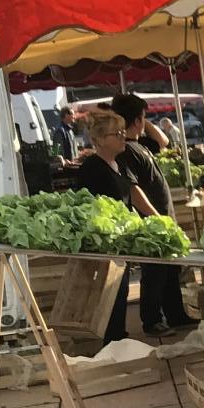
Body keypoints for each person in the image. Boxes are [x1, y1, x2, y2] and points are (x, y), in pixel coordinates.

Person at [109, 94, 194, 334]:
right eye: (143, 117)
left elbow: (163, 141)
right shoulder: (126, 150)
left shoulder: (141, 144)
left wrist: (141, 120)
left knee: (169, 269)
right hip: (151, 220)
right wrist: (155, 216)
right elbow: (132, 189)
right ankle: (152, 320)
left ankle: (176, 315)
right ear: (136, 120)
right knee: (154, 271)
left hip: (162, 217)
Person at [74, 110, 159, 344]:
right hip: (106, 243)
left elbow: (132, 192)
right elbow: (87, 206)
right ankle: (112, 342)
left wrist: (154, 217)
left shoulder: (119, 163)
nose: (123, 137)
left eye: (123, 132)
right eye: (117, 134)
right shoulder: (91, 168)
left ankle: (118, 339)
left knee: (120, 291)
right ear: (100, 140)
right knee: (111, 294)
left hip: (121, 240)